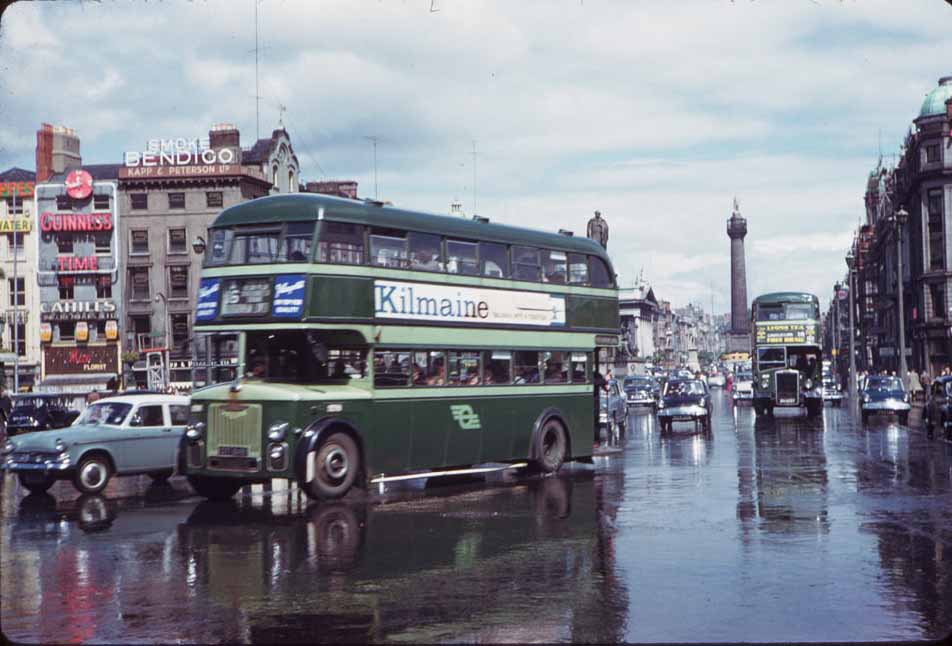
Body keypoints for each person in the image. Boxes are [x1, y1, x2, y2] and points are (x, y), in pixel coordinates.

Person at [593, 367, 609, 446]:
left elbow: (605, 386)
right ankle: (595, 440)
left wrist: (606, 384)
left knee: (595, 422)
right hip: (593, 401)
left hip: (595, 402)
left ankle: (596, 441)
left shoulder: (596, 375)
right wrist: (605, 380)